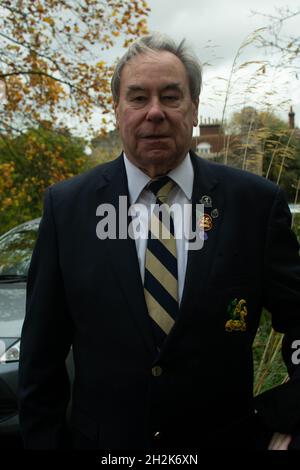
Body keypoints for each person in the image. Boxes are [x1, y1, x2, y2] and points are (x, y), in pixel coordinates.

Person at [18, 32, 300, 451]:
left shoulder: (255, 205)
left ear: (194, 109)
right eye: (137, 98)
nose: (155, 113)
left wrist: (289, 420)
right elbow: (40, 356)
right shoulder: (67, 208)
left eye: (171, 97)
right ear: (117, 110)